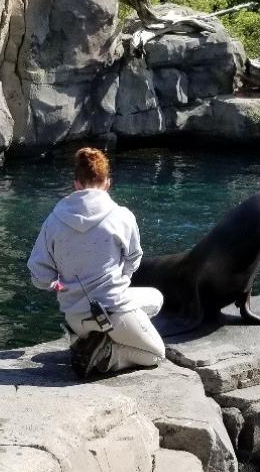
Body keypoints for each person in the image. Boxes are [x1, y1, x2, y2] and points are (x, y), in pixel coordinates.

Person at [28, 148, 165, 375]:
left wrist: (60, 286)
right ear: (107, 183)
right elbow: (133, 260)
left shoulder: (53, 221)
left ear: (76, 184)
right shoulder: (122, 216)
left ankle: (92, 340)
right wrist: (118, 280)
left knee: (154, 298)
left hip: (75, 317)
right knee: (156, 354)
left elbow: (40, 276)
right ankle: (109, 354)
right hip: (113, 311)